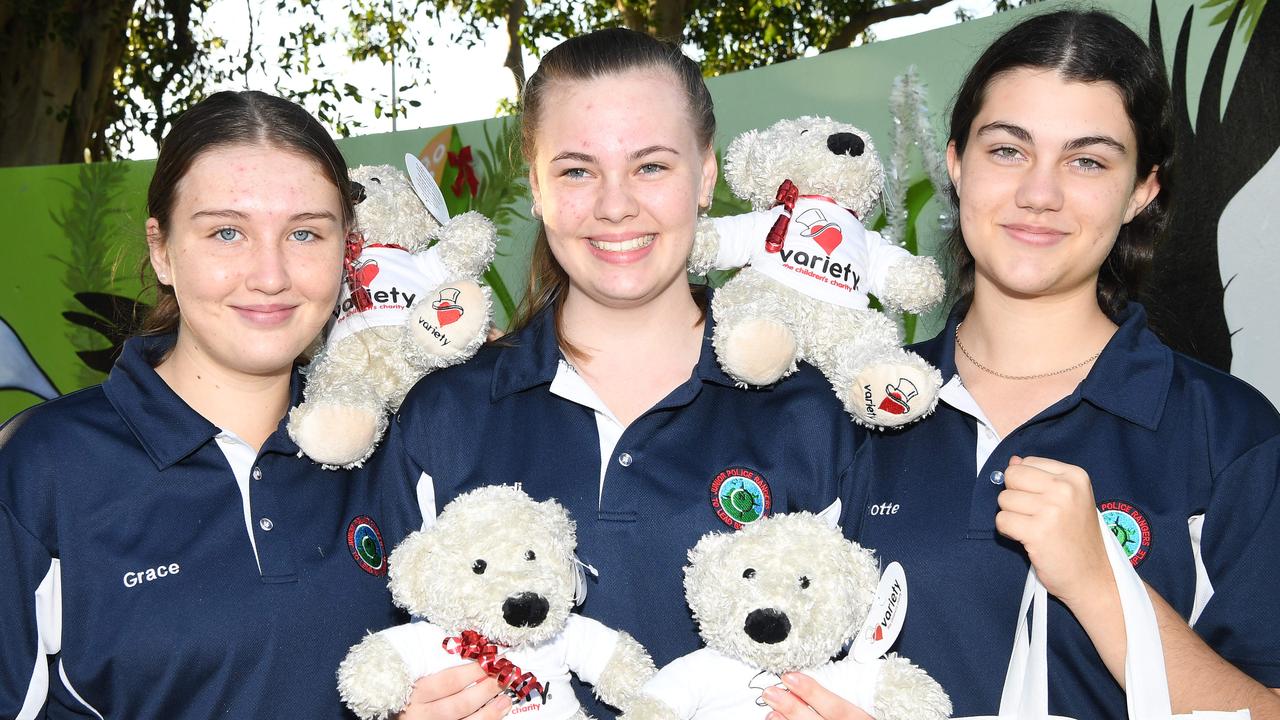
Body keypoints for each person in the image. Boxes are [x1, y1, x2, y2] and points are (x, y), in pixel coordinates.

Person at [767, 9, 1280, 720]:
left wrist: (1103, 584)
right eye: (1008, 150)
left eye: (1088, 160)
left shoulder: (1230, 434)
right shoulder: (843, 409)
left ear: (1142, 191)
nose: (1040, 193)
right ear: (956, 163)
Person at [373, 27, 861, 719]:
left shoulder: (809, 411)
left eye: (651, 166)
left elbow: (860, 669)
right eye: (576, 169)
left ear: (708, 176)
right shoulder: (445, 413)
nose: (614, 204)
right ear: (537, 188)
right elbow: (379, 658)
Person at [0, 90, 428, 718]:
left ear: (347, 250)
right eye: (228, 232)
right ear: (162, 249)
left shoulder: (399, 448)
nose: (270, 274)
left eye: (305, 233)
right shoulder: (45, 465)